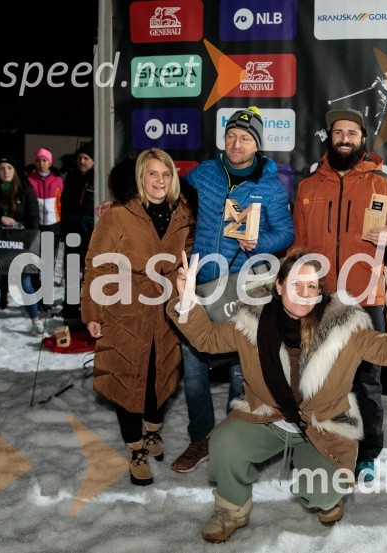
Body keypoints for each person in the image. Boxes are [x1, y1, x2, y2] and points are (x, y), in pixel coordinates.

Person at [167, 248, 387, 542]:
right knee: (225, 444)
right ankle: (231, 509)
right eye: (295, 285)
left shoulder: (346, 326)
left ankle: (329, 495)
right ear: (279, 286)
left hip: (322, 423)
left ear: (319, 292)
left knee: (322, 494)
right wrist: (188, 300)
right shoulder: (251, 321)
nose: (303, 293)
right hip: (267, 416)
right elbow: (208, 339)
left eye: (311, 286)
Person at [291, 108, 387, 482]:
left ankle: (367, 452)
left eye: (352, 132)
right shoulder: (308, 186)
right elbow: (298, 243)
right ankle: (320, 441)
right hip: (320, 298)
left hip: (367, 299)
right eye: (338, 132)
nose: (344, 138)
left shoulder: (383, 183)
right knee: (314, 376)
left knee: (366, 381)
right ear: (329, 138)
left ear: (363, 139)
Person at [170, 105, 295, 474]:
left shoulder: (271, 185)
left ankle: (231, 438)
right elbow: (170, 200)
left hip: (246, 286)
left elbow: (286, 234)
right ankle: (201, 438)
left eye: (245, 138)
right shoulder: (202, 175)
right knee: (194, 368)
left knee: (242, 369)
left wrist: (259, 243)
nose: (236, 143)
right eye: (231, 136)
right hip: (203, 283)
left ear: (257, 144)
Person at [81, 149, 194, 485]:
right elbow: (97, 265)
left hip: (166, 311)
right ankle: (135, 450)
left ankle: (152, 431)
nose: (160, 181)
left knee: (161, 375)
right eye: (152, 174)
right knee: (127, 379)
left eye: (166, 174)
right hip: (125, 309)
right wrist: (92, 311)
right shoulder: (117, 216)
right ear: (140, 178)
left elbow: (186, 257)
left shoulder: (183, 213)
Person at [0, 155, 43, 341]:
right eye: (1, 168)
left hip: (20, 243)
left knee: (25, 283)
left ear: (15, 171)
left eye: (9, 168)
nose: (5, 171)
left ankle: (35, 321)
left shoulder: (25, 188)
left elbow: (33, 217)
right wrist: (0, 219)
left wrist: (32, 241)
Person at [61, 141, 95, 328]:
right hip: (72, 231)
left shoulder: (98, 177)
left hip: (91, 231)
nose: (82, 161)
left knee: (91, 275)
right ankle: (71, 310)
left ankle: (91, 312)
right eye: (80, 158)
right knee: (73, 273)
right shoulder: (71, 176)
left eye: (86, 158)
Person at [25, 148, 64, 314]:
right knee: (34, 264)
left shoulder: (57, 180)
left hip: (52, 226)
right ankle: (35, 298)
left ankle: (47, 299)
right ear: (35, 162)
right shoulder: (28, 180)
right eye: (39, 160)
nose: (42, 163)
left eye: (45, 160)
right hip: (34, 226)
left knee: (48, 265)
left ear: (50, 162)